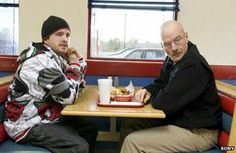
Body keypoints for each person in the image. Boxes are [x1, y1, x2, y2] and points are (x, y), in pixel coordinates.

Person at [120, 20, 222, 153]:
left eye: (177, 40)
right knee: (129, 124)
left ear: (186, 37)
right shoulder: (173, 58)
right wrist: (148, 90)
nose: (173, 48)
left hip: (199, 133)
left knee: (133, 142)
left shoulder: (193, 65)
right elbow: (161, 83)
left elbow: (163, 104)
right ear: (162, 46)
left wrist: (156, 95)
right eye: (167, 44)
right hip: (179, 122)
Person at [4, 15, 98, 153]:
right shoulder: (38, 61)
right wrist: (75, 64)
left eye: (67, 35)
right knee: (79, 146)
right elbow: (69, 95)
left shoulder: (54, 59)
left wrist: (79, 62)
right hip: (27, 126)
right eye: (59, 34)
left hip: (46, 118)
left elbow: (78, 87)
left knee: (90, 129)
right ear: (46, 39)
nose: (65, 39)